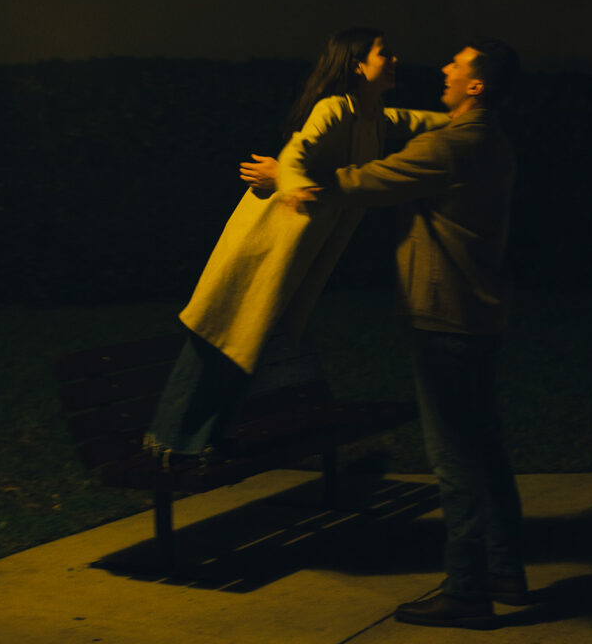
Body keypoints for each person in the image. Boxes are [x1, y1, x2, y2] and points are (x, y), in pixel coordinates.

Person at [284, 36, 526, 630]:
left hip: (444, 314)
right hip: (478, 313)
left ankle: (467, 591)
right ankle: (505, 571)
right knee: (486, 449)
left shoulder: (454, 145)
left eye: (458, 64)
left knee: (455, 459)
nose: (443, 67)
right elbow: (397, 126)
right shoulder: (490, 138)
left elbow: (368, 181)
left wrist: (287, 174)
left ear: (476, 86)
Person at [143, 27, 449, 464]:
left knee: (250, 339)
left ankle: (203, 438)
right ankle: (169, 439)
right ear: (358, 64)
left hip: (296, 247)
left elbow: (415, 121)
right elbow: (297, 152)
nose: (396, 59)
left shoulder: (374, 117)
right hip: (266, 240)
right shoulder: (333, 108)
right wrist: (295, 185)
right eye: (386, 53)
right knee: (222, 330)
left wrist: (463, 120)